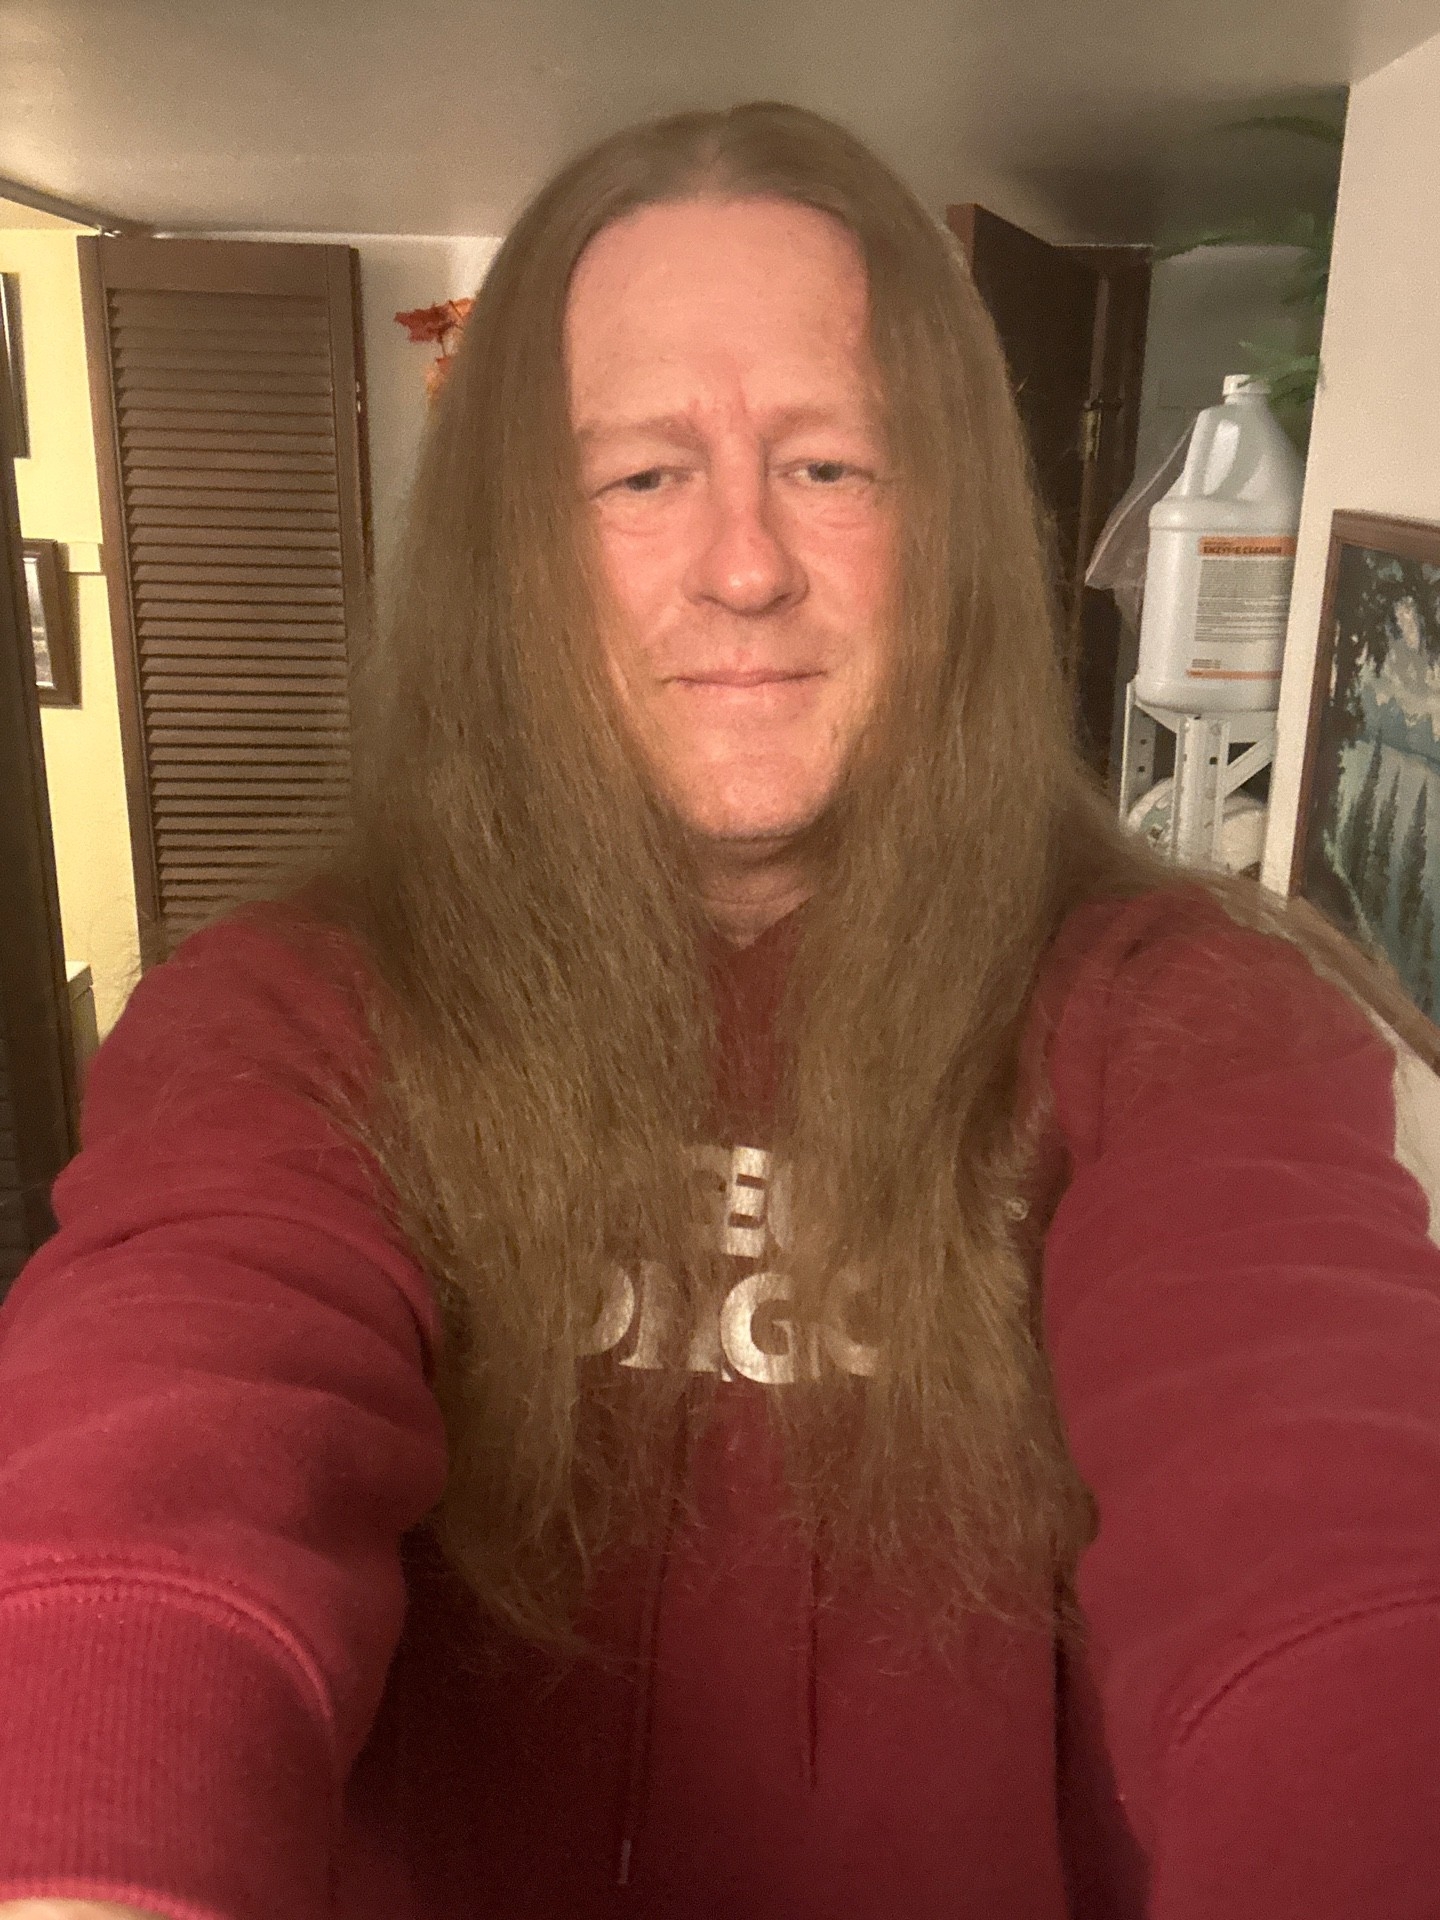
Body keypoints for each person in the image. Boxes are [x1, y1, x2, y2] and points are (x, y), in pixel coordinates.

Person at [1, 101, 1439, 1920]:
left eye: (833, 466)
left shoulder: (1186, 1021)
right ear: (513, 553)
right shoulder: (288, 1019)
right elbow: (166, 1449)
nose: (744, 565)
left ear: (957, 534)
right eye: (641, 477)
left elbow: (1314, 1502)